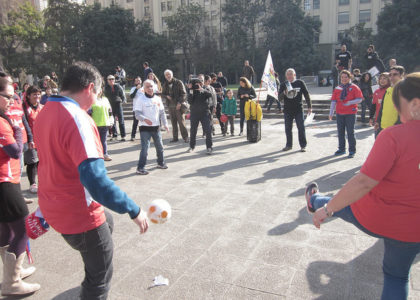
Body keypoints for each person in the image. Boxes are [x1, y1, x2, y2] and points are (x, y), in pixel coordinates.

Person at [34, 61, 149, 300]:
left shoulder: (44, 111)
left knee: (107, 225)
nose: (96, 101)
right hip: (78, 215)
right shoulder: (78, 119)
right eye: (96, 94)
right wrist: (133, 209)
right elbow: (96, 182)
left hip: (52, 206)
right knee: (100, 278)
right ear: (88, 88)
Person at [306, 72, 420, 300]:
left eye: (398, 107)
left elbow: (363, 182)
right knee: (397, 277)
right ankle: (318, 201)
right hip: (414, 231)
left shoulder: (395, 137)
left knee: (343, 204)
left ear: (415, 104)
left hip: (381, 216)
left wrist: (326, 212)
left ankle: (316, 202)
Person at [0, 77, 40, 296]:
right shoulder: (2, 122)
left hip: (7, 181)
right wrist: (16, 130)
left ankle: (11, 274)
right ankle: (12, 282)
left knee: (5, 230)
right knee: (24, 229)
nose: (12, 100)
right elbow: (15, 151)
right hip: (4, 183)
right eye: (7, 96)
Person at [133, 80, 169, 175]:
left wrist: (165, 124)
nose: (150, 88)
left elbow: (162, 113)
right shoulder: (140, 99)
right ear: (144, 88)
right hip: (145, 128)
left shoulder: (157, 98)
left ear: (154, 87)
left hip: (156, 127)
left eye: (151, 86)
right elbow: (137, 114)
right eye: (147, 87)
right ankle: (140, 168)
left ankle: (160, 163)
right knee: (145, 149)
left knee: (160, 146)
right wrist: (144, 119)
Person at [329, 70, 363, 158]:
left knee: (350, 132)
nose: (344, 79)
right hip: (340, 113)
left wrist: (350, 102)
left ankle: (352, 150)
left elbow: (359, 99)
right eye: (342, 77)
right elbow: (333, 101)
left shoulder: (354, 87)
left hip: (350, 113)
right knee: (340, 132)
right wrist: (331, 112)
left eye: (346, 77)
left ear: (350, 77)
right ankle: (341, 149)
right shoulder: (337, 88)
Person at [279, 68, 312, 152]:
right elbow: (279, 98)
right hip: (287, 110)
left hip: (298, 109)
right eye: (288, 74)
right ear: (286, 76)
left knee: (301, 127)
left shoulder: (300, 83)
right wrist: (284, 93)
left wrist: (309, 107)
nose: (289, 76)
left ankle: (303, 145)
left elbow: (306, 94)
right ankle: (289, 145)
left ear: (294, 75)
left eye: (291, 74)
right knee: (288, 128)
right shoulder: (284, 84)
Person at [22, 86, 43, 194]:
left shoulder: (42, 107)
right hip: (30, 140)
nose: (37, 96)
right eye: (34, 94)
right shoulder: (24, 108)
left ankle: (42, 182)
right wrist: (29, 138)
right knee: (32, 162)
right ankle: (32, 183)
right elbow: (24, 124)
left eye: (38, 94)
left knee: (41, 162)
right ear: (28, 96)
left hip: (42, 139)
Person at [375, 66, 405, 136]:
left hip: (395, 129)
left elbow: (404, 111)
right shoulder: (388, 90)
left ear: (401, 75)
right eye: (390, 75)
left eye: (395, 74)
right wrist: (378, 121)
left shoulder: (404, 90)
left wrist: (397, 126)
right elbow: (382, 108)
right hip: (382, 127)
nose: (392, 77)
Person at [161, 69, 189, 143]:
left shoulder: (178, 82)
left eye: (169, 74)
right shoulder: (165, 84)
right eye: (166, 75)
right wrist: (166, 96)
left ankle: (185, 137)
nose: (168, 76)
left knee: (181, 122)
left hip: (178, 105)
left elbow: (184, 94)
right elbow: (162, 94)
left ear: (172, 74)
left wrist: (179, 103)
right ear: (165, 76)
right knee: (173, 123)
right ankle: (175, 138)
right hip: (170, 106)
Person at [187, 78, 213, 154]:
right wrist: (191, 90)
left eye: (198, 84)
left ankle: (209, 147)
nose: (197, 86)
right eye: (195, 84)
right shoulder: (191, 92)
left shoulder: (204, 90)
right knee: (193, 131)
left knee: (208, 130)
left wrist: (201, 89)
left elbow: (210, 94)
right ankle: (192, 146)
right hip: (194, 113)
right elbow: (190, 101)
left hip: (204, 113)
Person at [90, 88, 113, 161]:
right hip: (95, 124)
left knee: (103, 141)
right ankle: (94, 155)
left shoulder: (105, 99)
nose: (99, 92)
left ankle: (105, 154)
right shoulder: (91, 100)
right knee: (95, 141)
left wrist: (111, 120)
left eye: (100, 90)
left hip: (105, 123)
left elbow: (110, 110)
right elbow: (89, 112)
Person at [104, 74, 127, 141]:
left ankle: (123, 136)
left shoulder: (118, 86)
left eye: (113, 79)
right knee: (112, 120)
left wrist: (123, 100)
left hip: (118, 104)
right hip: (110, 105)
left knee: (121, 120)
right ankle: (114, 135)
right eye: (110, 79)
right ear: (107, 80)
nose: (111, 80)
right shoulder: (106, 88)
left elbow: (122, 94)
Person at [129, 77, 142, 141]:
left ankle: (143, 135)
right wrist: (136, 89)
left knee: (143, 123)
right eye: (136, 81)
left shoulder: (144, 89)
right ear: (135, 82)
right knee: (135, 123)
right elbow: (131, 96)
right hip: (136, 108)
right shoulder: (133, 89)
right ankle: (133, 136)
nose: (138, 82)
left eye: (139, 80)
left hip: (143, 109)